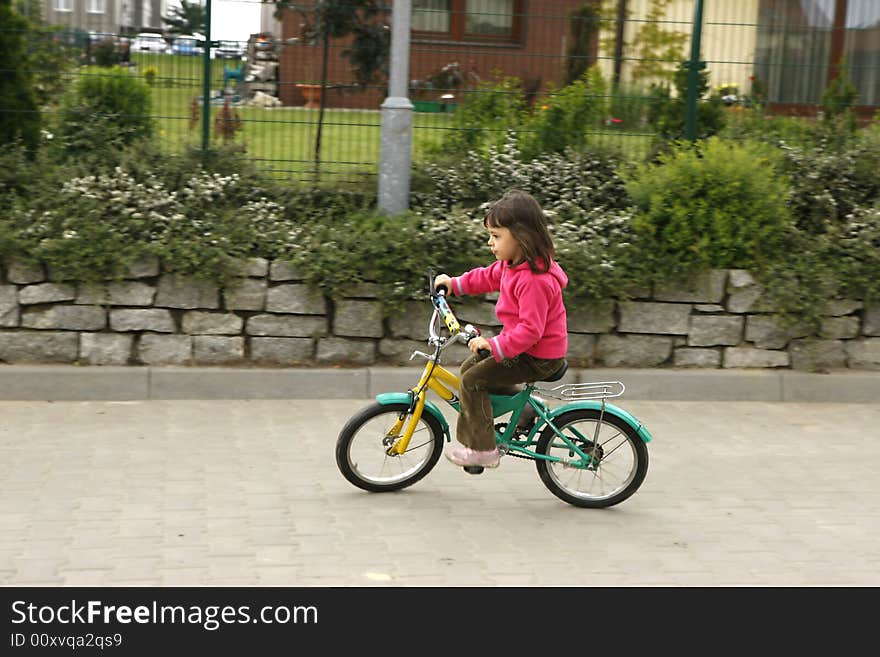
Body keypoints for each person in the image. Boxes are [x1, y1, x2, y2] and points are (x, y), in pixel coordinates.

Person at [434, 189, 568, 469]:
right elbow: (486, 276)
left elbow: (531, 331)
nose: (490, 242)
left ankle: (483, 449)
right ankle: (526, 407)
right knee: (472, 368)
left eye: (496, 236)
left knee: (473, 380)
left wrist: (494, 345)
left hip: (539, 357)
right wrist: (454, 284)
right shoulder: (512, 265)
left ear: (521, 237)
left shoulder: (535, 280)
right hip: (525, 350)